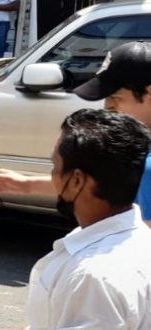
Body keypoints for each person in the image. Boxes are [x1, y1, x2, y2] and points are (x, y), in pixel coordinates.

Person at [0, 42, 151, 225]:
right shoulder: (137, 148)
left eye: (116, 98)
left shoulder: (147, 167)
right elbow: (95, 185)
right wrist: (24, 184)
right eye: (106, 98)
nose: (107, 106)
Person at [24, 109, 151, 329]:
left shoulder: (92, 278)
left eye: (55, 165)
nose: (52, 175)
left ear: (76, 181)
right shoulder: (136, 239)